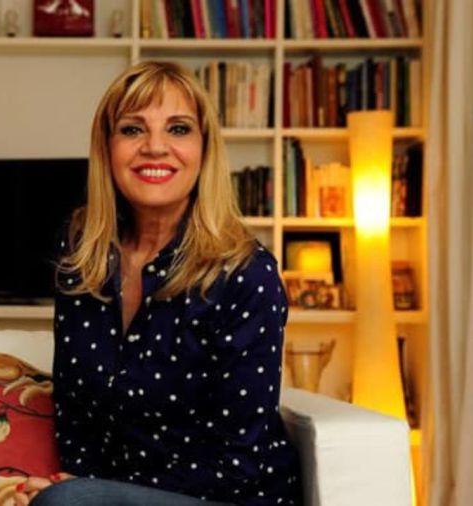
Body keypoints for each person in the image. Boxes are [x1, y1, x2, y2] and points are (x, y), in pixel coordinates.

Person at [20, 61, 302, 505]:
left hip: (228, 498)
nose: (155, 147)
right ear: (107, 147)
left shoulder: (246, 274)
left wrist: (88, 495)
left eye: (178, 129)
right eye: (133, 129)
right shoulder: (81, 252)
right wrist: (74, 483)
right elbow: (76, 415)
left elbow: (238, 459)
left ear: (204, 148)